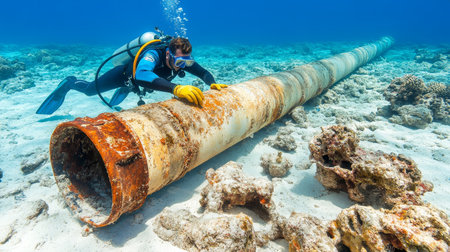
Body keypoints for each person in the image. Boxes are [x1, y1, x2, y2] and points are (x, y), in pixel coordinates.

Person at [36, 37, 227, 114]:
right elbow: (142, 74)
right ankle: (70, 82)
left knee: (135, 85)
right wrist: (175, 88)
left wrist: (212, 84)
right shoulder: (153, 54)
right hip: (125, 75)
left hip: (140, 82)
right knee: (90, 91)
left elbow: (202, 72)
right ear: (168, 54)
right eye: (178, 62)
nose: (181, 67)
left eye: (185, 62)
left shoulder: (182, 59)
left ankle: (127, 89)